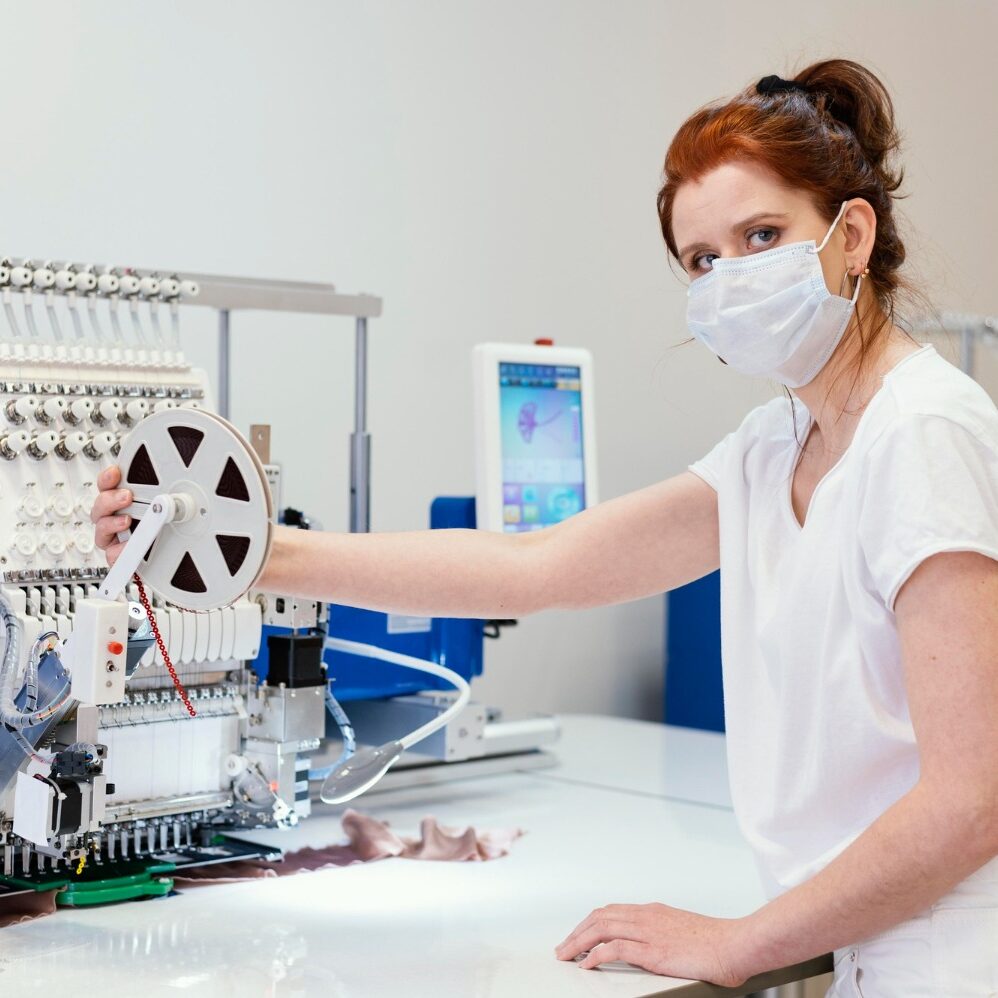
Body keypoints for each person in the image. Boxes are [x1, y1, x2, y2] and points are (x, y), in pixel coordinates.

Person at [92, 59, 997, 997]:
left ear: (852, 235)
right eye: (703, 261)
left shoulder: (924, 432)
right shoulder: (778, 447)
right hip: (875, 945)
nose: (730, 280)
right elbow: (536, 565)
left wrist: (741, 943)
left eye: (762, 236)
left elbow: (971, 804)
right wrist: (253, 553)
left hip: (956, 952)